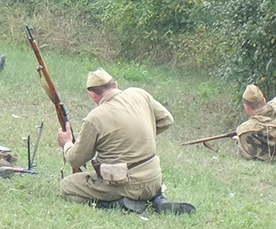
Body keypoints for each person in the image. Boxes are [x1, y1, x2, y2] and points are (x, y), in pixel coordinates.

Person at [56, 68, 195, 215]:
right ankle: (158, 200)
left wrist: (66, 143)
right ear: (115, 85)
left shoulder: (95, 117)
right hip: (154, 181)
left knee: (67, 186)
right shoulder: (139, 94)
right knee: (143, 184)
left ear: (92, 94)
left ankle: (119, 203)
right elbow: (166, 120)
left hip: (124, 183)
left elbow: (75, 160)